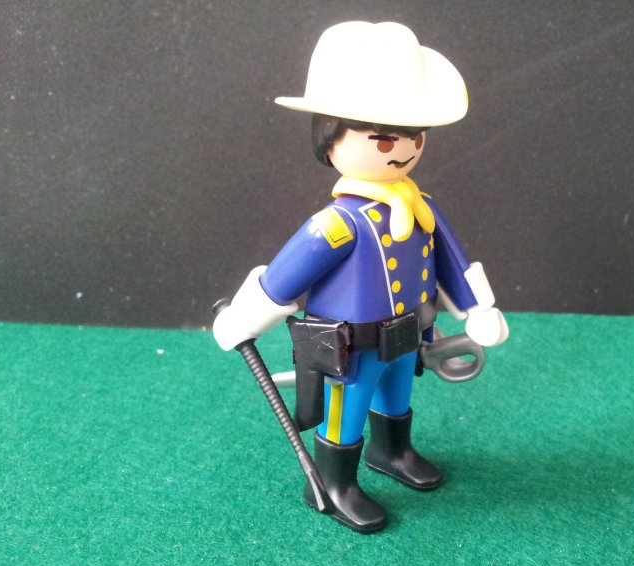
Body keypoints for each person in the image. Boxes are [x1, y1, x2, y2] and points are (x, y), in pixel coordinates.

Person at [213, 21, 508, 532]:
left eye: (415, 136)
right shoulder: (335, 225)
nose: (403, 149)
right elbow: (282, 279)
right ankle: (333, 483)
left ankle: (392, 452)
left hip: (409, 335)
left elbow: (452, 263)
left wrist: (478, 308)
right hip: (350, 348)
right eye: (384, 138)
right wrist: (244, 319)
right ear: (331, 140)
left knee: (397, 396)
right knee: (345, 412)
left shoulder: (422, 207)